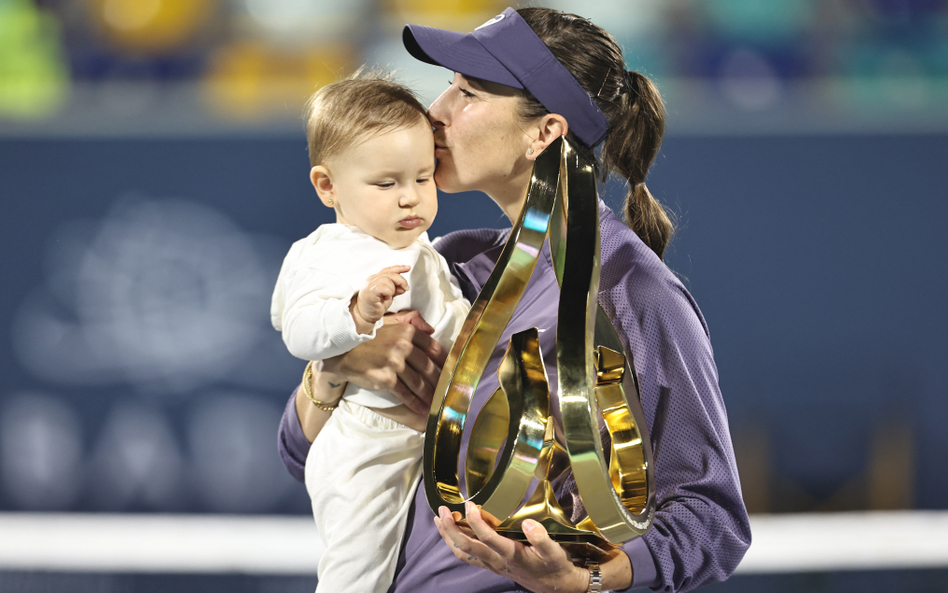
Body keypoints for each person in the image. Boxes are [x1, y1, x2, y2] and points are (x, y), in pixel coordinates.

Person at [278, 7, 751, 593]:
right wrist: (334, 373)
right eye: (447, 86)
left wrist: (585, 580)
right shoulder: (449, 262)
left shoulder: (635, 291)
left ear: (544, 132)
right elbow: (301, 453)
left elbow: (712, 519)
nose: (436, 112)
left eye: (467, 92)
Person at [270, 71, 470, 593]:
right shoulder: (328, 252)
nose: (410, 198)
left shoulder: (428, 249)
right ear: (327, 185)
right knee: (358, 569)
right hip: (366, 442)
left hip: (426, 438)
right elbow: (297, 329)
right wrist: (356, 315)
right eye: (387, 184)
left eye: (423, 178)